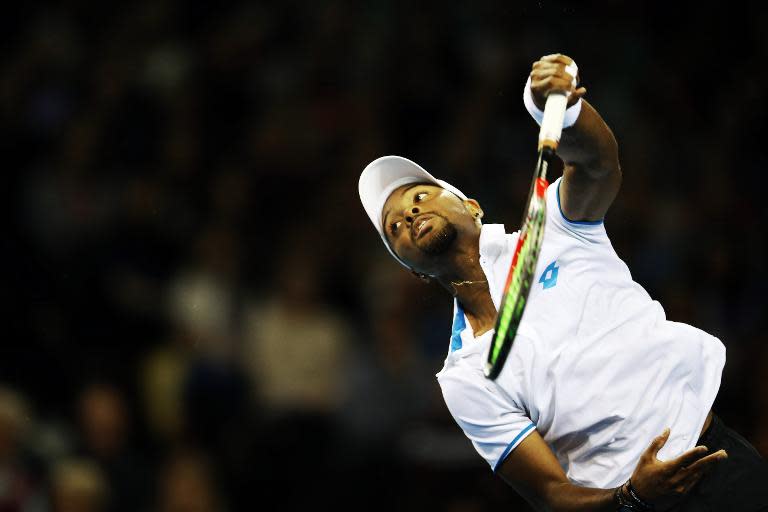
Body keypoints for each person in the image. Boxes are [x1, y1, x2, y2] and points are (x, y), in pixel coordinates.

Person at [358, 54, 768, 511]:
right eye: (393, 226)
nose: (409, 213)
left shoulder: (554, 228)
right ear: (411, 269)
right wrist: (633, 497)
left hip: (718, 464)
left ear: (471, 206)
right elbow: (552, 494)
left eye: (419, 196)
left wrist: (560, 111)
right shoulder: (464, 377)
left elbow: (597, 164)